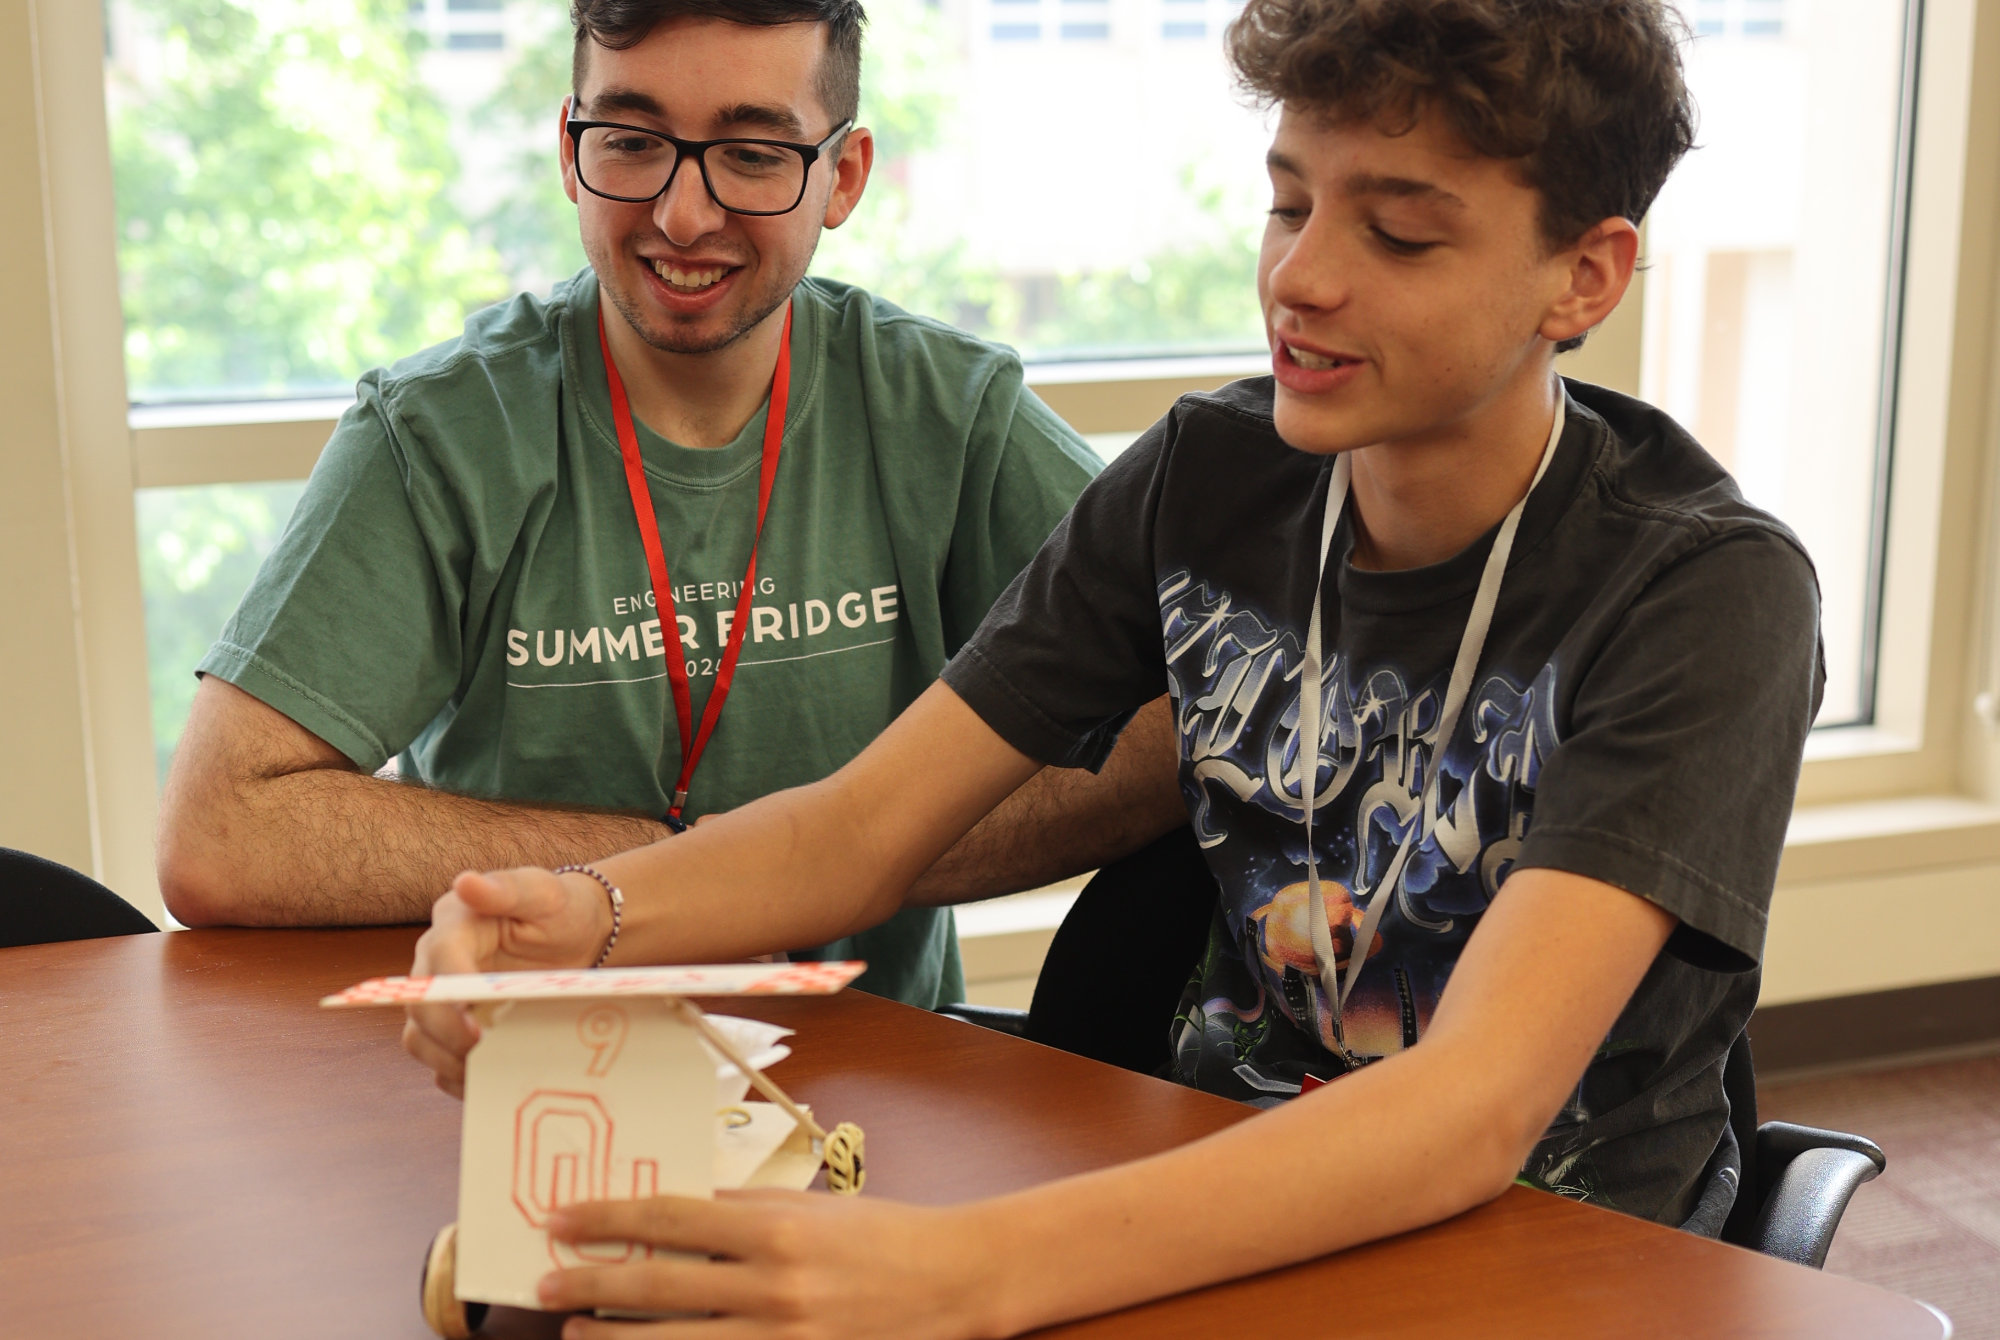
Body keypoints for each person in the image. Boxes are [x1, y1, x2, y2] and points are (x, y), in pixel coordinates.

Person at [403, 0, 1825, 1331]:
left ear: (1584, 275)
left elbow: (1469, 1110)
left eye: (1397, 236)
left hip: (1554, 1250)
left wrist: (963, 1269)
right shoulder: (1210, 474)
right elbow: (859, 830)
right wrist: (573, 917)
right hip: (1216, 1190)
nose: (1301, 276)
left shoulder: (1703, 594)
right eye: (1288, 202)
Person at [154, 0, 1187, 1011]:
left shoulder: (949, 415)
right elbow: (218, 832)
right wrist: (699, 868)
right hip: (522, 1075)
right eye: (633, 140)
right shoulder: (439, 433)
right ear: (569, 149)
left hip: (881, 1092)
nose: (682, 214)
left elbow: (1191, 717)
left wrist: (854, 851)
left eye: (751, 154)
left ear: (844, 175)